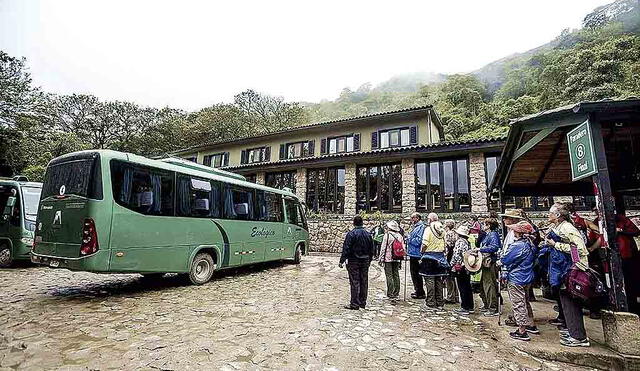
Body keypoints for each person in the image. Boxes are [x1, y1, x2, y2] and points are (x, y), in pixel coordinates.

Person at [545, 202, 590, 347]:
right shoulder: (558, 227)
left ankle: (578, 336)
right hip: (561, 270)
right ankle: (571, 330)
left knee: (571, 304)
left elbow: (580, 248)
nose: (548, 215)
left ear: (558, 215)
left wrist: (556, 245)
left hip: (570, 271)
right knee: (564, 302)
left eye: (551, 212)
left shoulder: (567, 228)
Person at [501, 220, 538, 341]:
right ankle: (531, 324)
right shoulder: (530, 243)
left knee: (518, 303)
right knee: (525, 301)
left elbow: (506, 259)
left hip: (517, 277)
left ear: (518, 232)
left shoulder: (517, 246)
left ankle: (522, 330)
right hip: (527, 275)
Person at [339, 215, 375, 310]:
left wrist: (342, 261)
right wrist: (370, 260)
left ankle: (354, 303)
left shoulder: (351, 234)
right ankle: (362, 302)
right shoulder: (368, 234)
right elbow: (372, 249)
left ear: (354, 223)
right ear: (362, 223)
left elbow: (346, 248)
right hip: (365, 260)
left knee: (355, 281)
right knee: (364, 281)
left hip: (353, 260)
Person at [420, 212, 448, 309]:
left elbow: (424, 244)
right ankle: (440, 301)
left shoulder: (428, 229)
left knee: (430, 280)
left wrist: (422, 252)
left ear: (430, 219)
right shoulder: (442, 230)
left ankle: (431, 301)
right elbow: (445, 245)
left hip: (429, 257)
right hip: (440, 257)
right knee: (438, 280)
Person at [478, 217, 500, 316]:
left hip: (490, 261)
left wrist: (481, 249)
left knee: (489, 284)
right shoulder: (489, 234)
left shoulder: (493, 235)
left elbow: (495, 247)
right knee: (485, 284)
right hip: (486, 260)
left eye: (484, 224)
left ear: (489, 226)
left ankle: (492, 308)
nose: (483, 226)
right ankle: (488, 304)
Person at [450, 225, 474, 314]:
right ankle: (470, 306)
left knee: (462, 287)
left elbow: (457, 254)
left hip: (460, 266)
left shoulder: (459, 242)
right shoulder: (467, 242)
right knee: (467, 286)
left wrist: (453, 264)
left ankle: (465, 307)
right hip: (467, 265)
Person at [379, 220, 404, 300]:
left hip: (388, 258)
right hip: (397, 258)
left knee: (389, 275)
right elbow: (403, 248)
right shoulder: (400, 236)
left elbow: (383, 248)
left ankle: (390, 292)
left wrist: (381, 258)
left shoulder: (387, 235)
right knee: (396, 274)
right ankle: (396, 292)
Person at [407, 212, 426, 299]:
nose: (411, 220)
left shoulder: (421, 227)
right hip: (412, 252)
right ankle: (417, 290)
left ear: (417, 218)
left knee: (417, 273)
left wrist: (409, 239)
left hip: (416, 253)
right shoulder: (415, 227)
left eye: (412, 218)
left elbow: (419, 240)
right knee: (413, 273)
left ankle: (420, 292)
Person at [444, 219, 459, 304]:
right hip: (453, 255)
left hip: (449, 255)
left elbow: (448, 246)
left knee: (449, 278)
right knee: (452, 278)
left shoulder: (448, 234)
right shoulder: (456, 233)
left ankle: (450, 296)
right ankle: (456, 296)